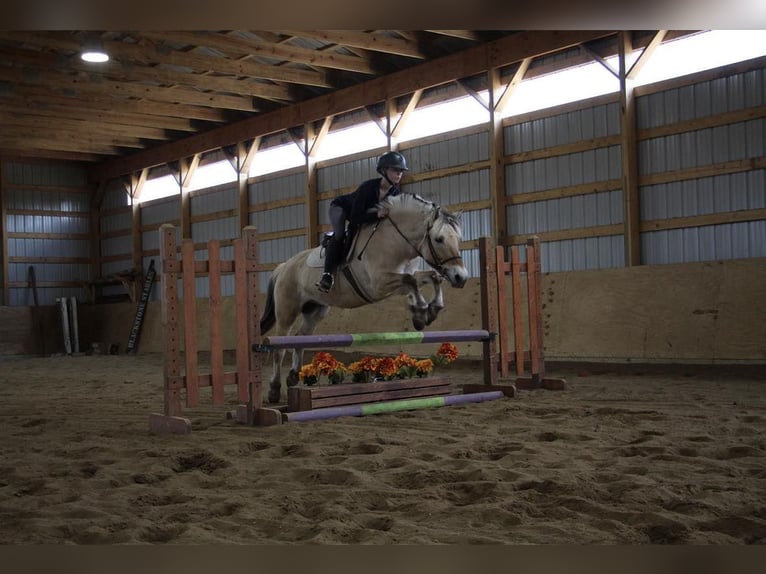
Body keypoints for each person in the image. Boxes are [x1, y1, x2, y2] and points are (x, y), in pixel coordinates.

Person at [316, 150, 409, 292]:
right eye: (395, 170)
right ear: (384, 170)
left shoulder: (395, 194)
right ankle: (327, 275)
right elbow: (355, 218)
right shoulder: (368, 188)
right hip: (341, 208)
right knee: (340, 234)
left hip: (362, 216)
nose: (399, 174)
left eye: (401, 171)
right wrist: (376, 214)